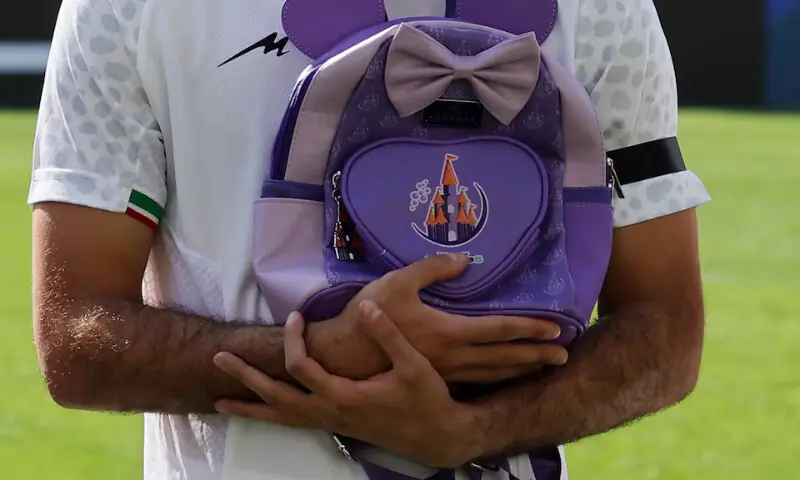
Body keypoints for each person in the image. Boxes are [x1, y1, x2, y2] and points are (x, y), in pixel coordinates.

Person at [29, 0, 710, 478]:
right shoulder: (128, 8)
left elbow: (666, 330)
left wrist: (478, 430)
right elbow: (75, 339)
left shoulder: (605, 9)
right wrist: (316, 355)